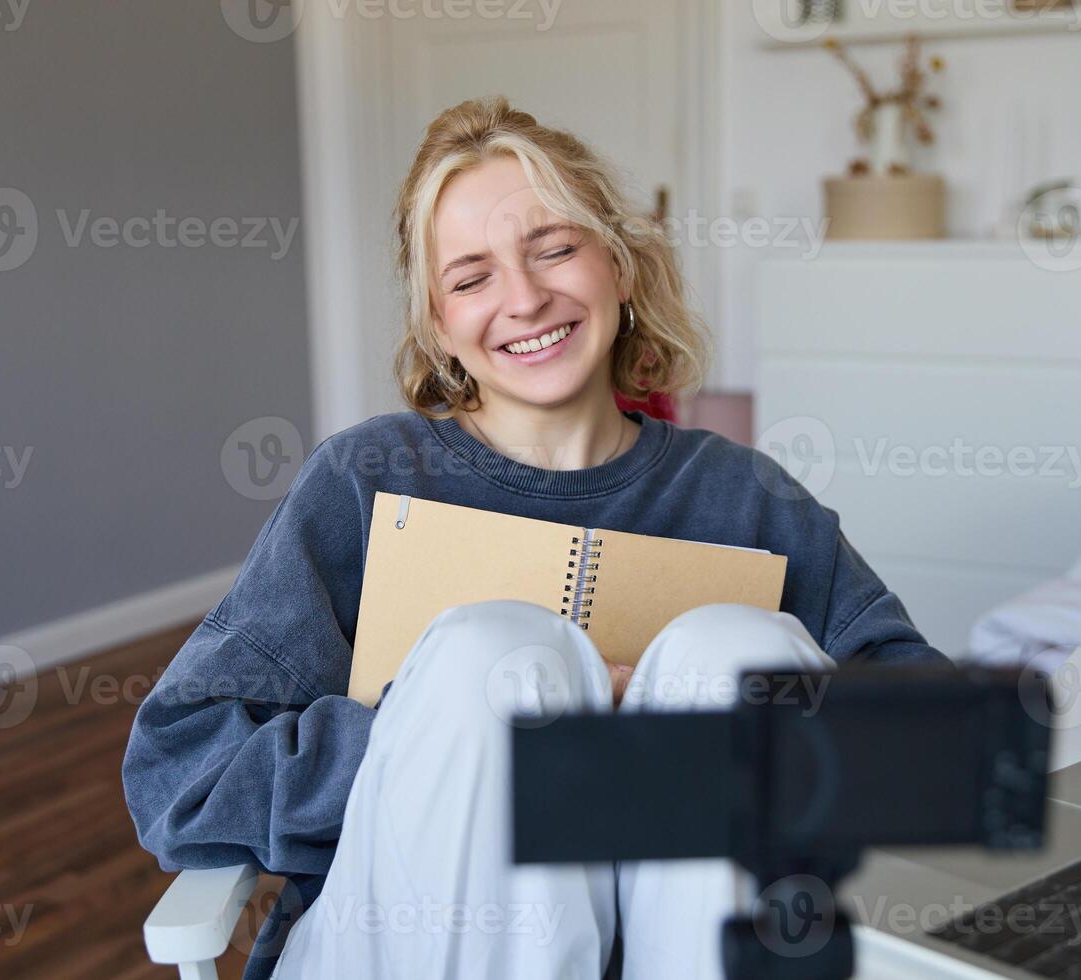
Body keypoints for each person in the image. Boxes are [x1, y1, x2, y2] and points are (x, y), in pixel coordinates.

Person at [122, 95, 947, 980]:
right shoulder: (363, 482)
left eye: (554, 249)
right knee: (494, 661)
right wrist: (424, 738)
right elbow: (181, 772)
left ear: (621, 268)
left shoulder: (743, 496)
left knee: (736, 655)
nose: (524, 298)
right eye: (472, 277)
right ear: (439, 324)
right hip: (402, 943)